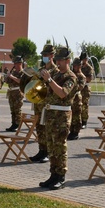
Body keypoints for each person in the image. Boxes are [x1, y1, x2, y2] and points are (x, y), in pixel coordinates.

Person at [38, 46, 78, 189]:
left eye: (61, 60)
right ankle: (53, 174)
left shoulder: (71, 77)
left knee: (60, 147)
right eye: (58, 60)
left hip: (61, 117)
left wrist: (49, 80)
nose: (58, 63)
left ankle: (61, 176)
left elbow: (62, 93)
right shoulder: (55, 75)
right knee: (51, 147)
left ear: (68, 60)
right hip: (50, 115)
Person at [29, 43, 56, 163]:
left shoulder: (56, 71)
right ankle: (41, 151)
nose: (44, 56)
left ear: (52, 55)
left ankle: (48, 153)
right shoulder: (41, 70)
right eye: (43, 54)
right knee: (39, 129)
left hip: (48, 105)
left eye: (46, 54)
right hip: (38, 103)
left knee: (47, 130)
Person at [4, 56, 26, 132]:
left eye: (16, 63)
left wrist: (12, 77)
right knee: (12, 110)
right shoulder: (13, 72)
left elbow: (20, 81)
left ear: (20, 64)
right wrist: (7, 76)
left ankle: (17, 125)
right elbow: (7, 81)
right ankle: (13, 124)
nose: (15, 65)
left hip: (18, 93)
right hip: (11, 93)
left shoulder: (23, 73)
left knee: (17, 110)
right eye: (14, 63)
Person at [79, 51, 95, 128]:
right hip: (79, 88)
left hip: (85, 88)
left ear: (86, 59)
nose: (82, 61)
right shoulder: (79, 67)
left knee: (84, 105)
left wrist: (82, 77)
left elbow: (89, 79)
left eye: (83, 59)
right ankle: (79, 120)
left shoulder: (89, 68)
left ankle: (84, 121)